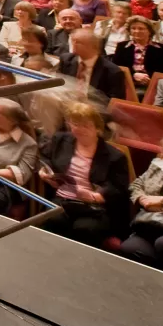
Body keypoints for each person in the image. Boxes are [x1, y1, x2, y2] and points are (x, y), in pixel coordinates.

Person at [39, 101, 130, 247]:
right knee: (51, 220)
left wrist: (97, 196)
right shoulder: (60, 140)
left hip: (94, 208)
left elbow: (119, 188)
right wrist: (44, 172)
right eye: (75, 124)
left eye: (85, 125)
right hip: (63, 199)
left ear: (98, 129)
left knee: (84, 229)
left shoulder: (115, 156)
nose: (79, 129)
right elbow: (44, 158)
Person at [121, 139, 163, 268]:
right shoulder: (158, 165)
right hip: (150, 222)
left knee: (162, 244)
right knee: (129, 247)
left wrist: (161, 201)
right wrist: (141, 198)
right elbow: (137, 184)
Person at [59, 28, 124, 102]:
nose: (74, 44)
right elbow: (59, 86)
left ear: (93, 46)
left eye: (78, 42)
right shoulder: (66, 60)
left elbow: (114, 103)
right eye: (73, 40)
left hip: (95, 110)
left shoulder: (112, 72)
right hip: (66, 103)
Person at [111, 17, 163, 99]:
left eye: (141, 29)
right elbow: (116, 67)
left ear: (149, 31)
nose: (136, 31)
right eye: (133, 28)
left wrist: (146, 77)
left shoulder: (162, 49)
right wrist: (134, 75)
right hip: (128, 83)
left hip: (153, 85)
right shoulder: (122, 46)